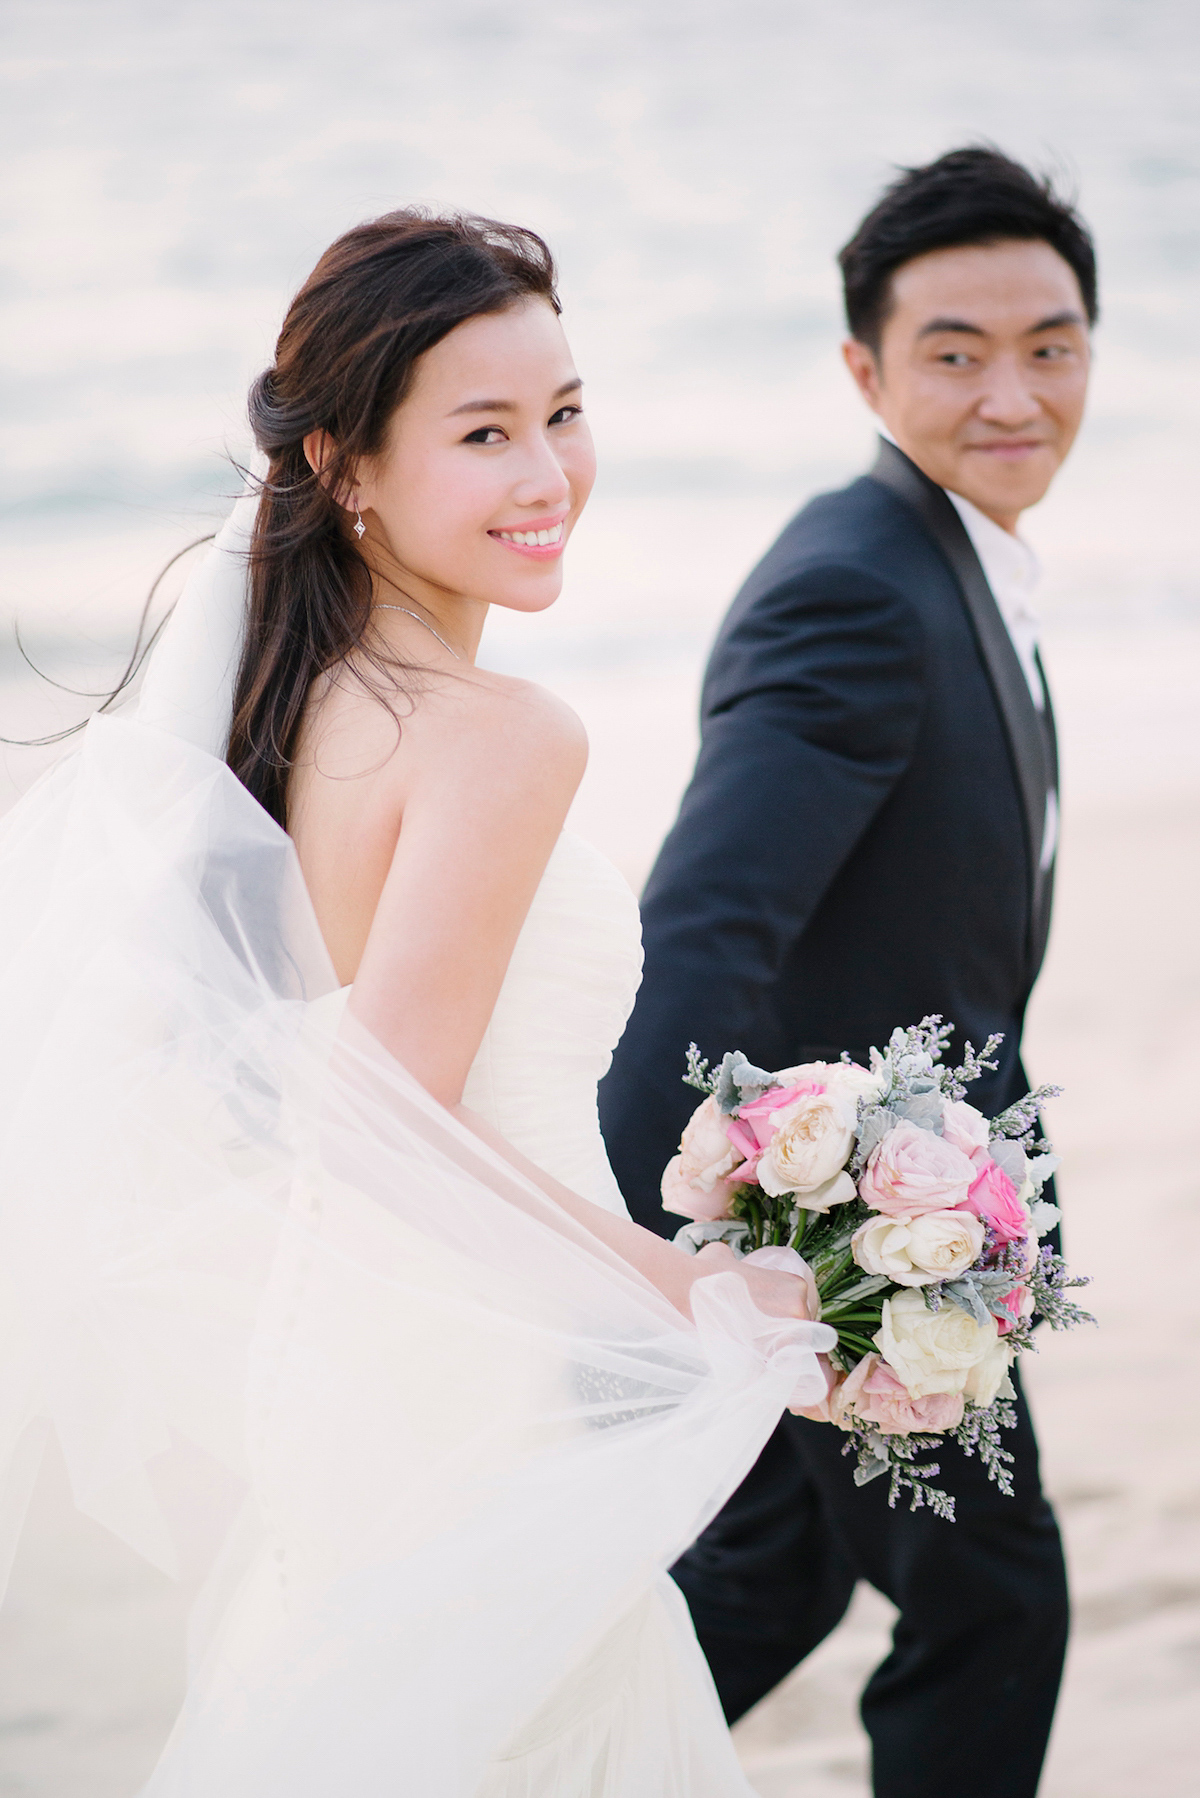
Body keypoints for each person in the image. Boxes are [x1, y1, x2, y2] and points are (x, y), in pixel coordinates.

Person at [0, 210, 836, 1795]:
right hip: (479, 1364)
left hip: (357, 1356)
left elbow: (308, 1084)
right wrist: (688, 1288)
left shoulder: (296, 714)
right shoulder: (502, 733)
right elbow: (384, 1113)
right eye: (485, 433)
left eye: (566, 414)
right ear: (349, 466)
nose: (547, 475)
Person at [599, 146, 1094, 1798]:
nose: (1012, 391)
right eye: (955, 350)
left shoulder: (950, 559)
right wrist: (664, 1256)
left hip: (887, 1233)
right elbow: (705, 929)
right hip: (840, 1262)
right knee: (997, 1605)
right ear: (864, 370)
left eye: (1052, 343)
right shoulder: (855, 589)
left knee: (769, 1579)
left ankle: (510, 1755)